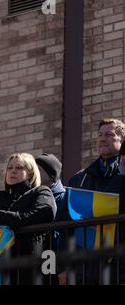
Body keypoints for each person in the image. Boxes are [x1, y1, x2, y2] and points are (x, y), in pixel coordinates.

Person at [0, 153, 56, 285]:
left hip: (29, 263)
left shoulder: (41, 192)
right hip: (0, 266)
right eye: (9, 168)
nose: (13, 171)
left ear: (31, 173)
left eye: (19, 167)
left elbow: (41, 216)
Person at [65, 118, 125, 284]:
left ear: (122, 140)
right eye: (99, 135)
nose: (102, 138)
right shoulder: (79, 178)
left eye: (109, 134)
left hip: (119, 259)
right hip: (87, 263)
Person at [35, 153, 66, 284]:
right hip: (38, 259)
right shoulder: (33, 197)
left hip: (53, 259)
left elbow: (64, 235)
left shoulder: (64, 198)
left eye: (39, 169)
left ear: (51, 175)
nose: (34, 173)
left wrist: (62, 268)